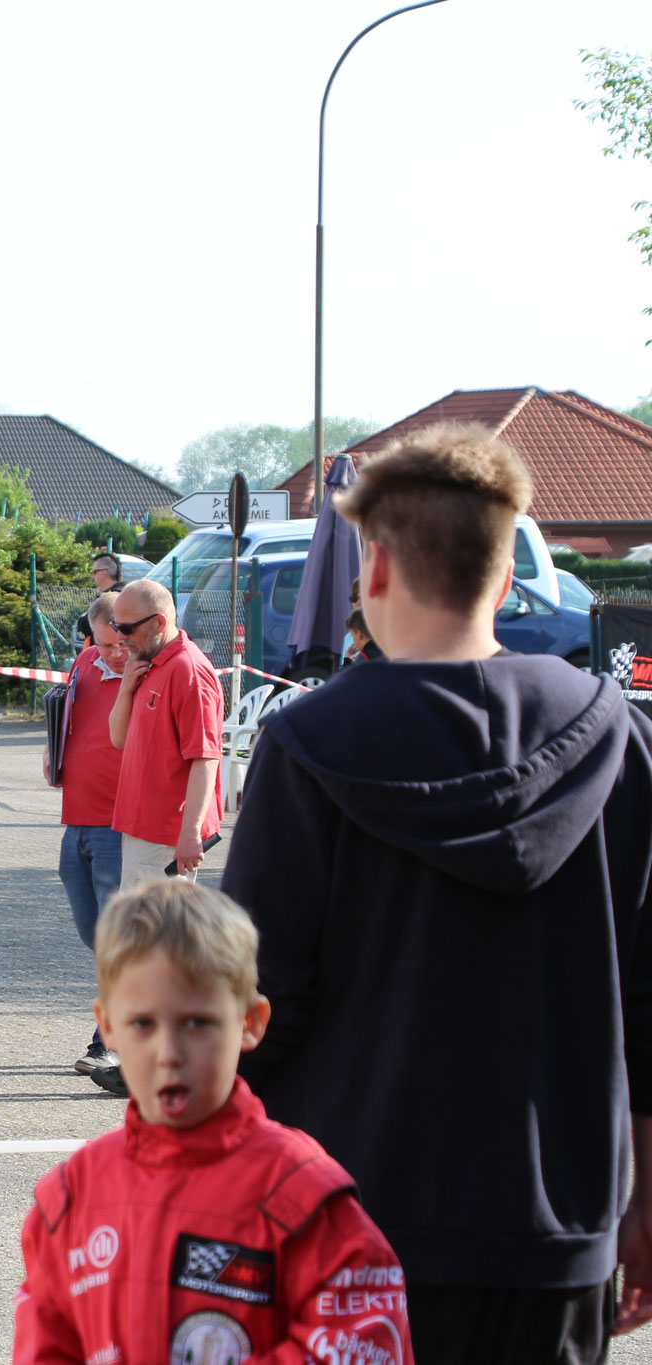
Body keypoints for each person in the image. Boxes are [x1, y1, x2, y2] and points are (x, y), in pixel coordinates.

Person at [221, 423, 652, 1362]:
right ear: (506, 578)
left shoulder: (307, 749)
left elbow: (255, 1005)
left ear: (369, 570)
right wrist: (643, 1197)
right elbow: (647, 1001)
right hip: (560, 1227)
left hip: (342, 1222)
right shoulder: (619, 739)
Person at [12, 880, 414, 1364]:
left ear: (250, 1023)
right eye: (143, 1024)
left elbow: (363, 1346)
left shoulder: (302, 1195)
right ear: (109, 1026)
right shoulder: (69, 1200)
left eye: (197, 1023)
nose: (169, 1054)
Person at [53, 593, 128, 1078]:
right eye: (99, 644)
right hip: (77, 816)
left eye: (115, 645)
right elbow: (68, 716)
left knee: (118, 937)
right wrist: (53, 751)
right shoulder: (86, 662)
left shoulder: (151, 674)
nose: (107, 654)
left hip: (121, 824)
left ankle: (110, 1039)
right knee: (92, 931)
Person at [107, 578, 221, 887]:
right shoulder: (149, 663)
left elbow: (205, 758)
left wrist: (190, 834)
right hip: (142, 827)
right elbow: (118, 739)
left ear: (159, 623)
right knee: (143, 932)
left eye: (127, 629)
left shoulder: (188, 672)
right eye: (115, 626)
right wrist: (126, 690)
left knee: (157, 933)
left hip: (166, 834)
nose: (119, 638)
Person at [74, 552, 124, 648]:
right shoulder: (125, 593)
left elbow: (88, 624)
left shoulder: (117, 597)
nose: (93, 576)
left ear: (104, 573)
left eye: (94, 572)